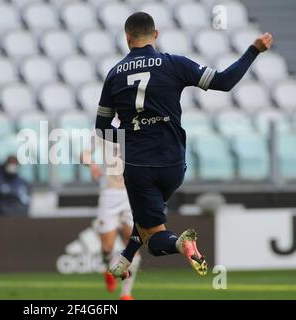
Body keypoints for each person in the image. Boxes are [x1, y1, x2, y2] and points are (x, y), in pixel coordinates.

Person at [94, 12, 273, 279]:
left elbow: (102, 128)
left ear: (127, 37)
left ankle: (180, 244)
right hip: (174, 165)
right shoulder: (173, 64)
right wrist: (253, 50)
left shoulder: (114, 74)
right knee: (146, 216)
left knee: (156, 239)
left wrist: (128, 135)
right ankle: (124, 259)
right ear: (155, 35)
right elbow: (224, 82)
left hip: (139, 165)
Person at [82, 116, 140, 300]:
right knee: (107, 247)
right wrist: (91, 165)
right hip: (110, 193)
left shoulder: (140, 122)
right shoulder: (103, 127)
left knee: (134, 244)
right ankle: (108, 268)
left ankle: (126, 293)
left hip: (133, 192)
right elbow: (84, 153)